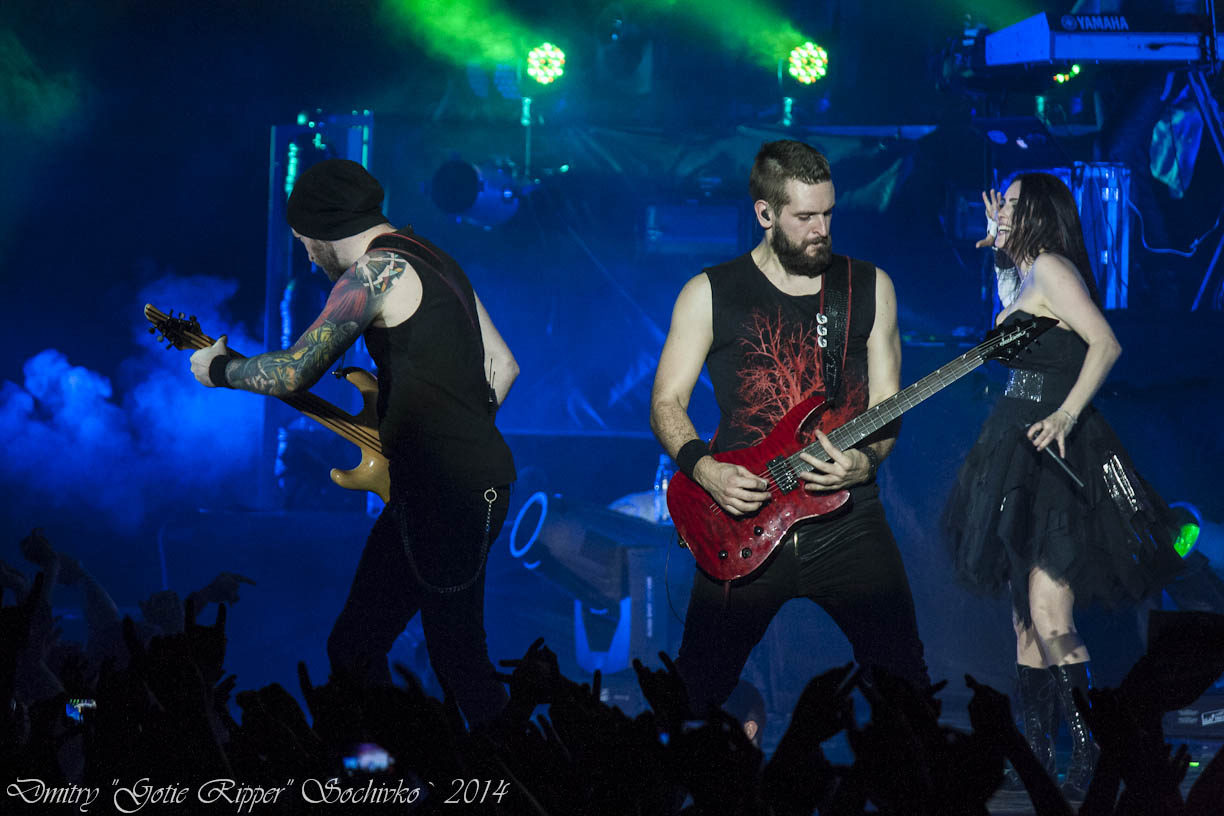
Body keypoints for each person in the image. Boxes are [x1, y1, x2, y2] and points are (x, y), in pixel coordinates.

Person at [189, 158, 519, 728]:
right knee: (360, 647)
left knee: (452, 662)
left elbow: (294, 371)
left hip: (448, 496)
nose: (307, 258)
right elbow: (505, 366)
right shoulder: (435, 257)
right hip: (456, 489)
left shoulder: (374, 273)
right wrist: (454, 433)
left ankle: (518, 770)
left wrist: (221, 369)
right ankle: (403, 760)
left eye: (304, 242)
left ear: (322, 229)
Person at [649, 139, 930, 717]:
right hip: (742, 518)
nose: (821, 230)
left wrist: (867, 461)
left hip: (848, 521)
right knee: (695, 692)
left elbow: (887, 404)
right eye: (805, 217)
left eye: (828, 213)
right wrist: (705, 470)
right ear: (765, 213)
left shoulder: (869, 286)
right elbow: (666, 402)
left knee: (905, 686)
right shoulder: (708, 292)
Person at [945, 172, 1183, 798]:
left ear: (1040, 212)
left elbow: (1105, 343)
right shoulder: (1028, 275)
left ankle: (1089, 750)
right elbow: (1010, 341)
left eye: (1012, 204)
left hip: (1057, 453)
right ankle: (1038, 753)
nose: (1001, 208)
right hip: (1017, 449)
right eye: (1001, 202)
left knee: (1050, 609)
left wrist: (1068, 414)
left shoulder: (1053, 268)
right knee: (1024, 619)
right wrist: (1001, 254)